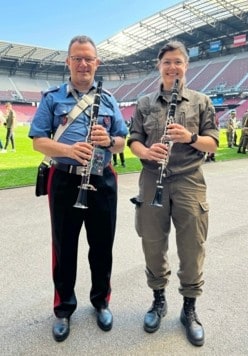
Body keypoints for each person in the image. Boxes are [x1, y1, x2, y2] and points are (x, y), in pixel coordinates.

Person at [28, 35, 128, 342]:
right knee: (64, 247)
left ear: (97, 63)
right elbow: (37, 140)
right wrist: (69, 151)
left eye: (89, 58)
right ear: (68, 62)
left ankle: (101, 302)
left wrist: (108, 141)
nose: (83, 64)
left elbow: (123, 140)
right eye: (77, 58)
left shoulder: (110, 100)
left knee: (102, 247)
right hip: (65, 179)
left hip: (102, 179)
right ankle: (64, 309)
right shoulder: (52, 98)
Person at [128, 41, 219, 347]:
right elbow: (134, 141)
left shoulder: (201, 101)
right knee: (152, 244)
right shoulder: (144, 103)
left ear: (186, 66)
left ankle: (189, 309)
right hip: (152, 178)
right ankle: (158, 300)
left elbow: (213, 144)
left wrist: (191, 137)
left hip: (188, 180)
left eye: (178, 62)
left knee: (192, 247)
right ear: (159, 65)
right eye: (167, 61)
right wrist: (147, 151)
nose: (172, 67)